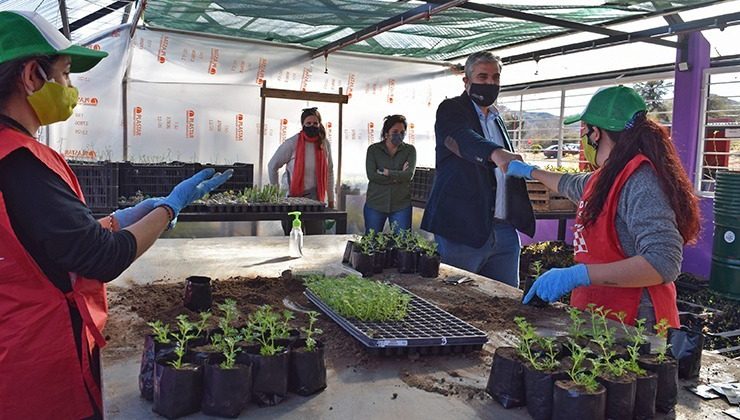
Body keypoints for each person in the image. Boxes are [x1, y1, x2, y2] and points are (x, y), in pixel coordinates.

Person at [0, 11, 232, 418]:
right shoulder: (20, 162)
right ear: (32, 76)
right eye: (65, 73)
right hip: (37, 367)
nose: (70, 87)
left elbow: (44, 240)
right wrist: (167, 208)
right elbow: (102, 257)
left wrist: (120, 218)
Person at [508, 85, 700, 329]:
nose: (584, 138)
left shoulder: (641, 181)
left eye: (585, 130)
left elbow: (663, 263)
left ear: (595, 133)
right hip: (601, 312)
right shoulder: (606, 177)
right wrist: (529, 171)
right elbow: (569, 184)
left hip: (636, 321)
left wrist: (579, 275)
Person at [420, 51, 535, 287]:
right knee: (457, 301)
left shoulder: (496, 118)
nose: (490, 83)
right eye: (482, 77)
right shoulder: (451, 110)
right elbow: (463, 138)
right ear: (467, 81)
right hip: (462, 229)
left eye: (495, 78)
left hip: (503, 230)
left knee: (505, 300)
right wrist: (496, 153)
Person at [268, 107, 335, 234]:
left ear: (320, 124)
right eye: (308, 123)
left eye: (315, 123)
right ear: (302, 124)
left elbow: (329, 172)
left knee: (315, 239)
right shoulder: (292, 143)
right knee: (292, 237)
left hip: (316, 200)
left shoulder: (324, 144)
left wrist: (331, 199)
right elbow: (272, 166)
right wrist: (275, 195)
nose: (312, 126)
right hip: (292, 199)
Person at [364, 114, 416, 233]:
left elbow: (409, 175)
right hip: (376, 203)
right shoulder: (373, 150)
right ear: (386, 133)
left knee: (402, 244)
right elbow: (372, 175)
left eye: (402, 132)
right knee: (372, 243)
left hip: (401, 205)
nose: (399, 135)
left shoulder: (409, 150)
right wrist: (398, 176)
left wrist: (387, 172)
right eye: (395, 131)